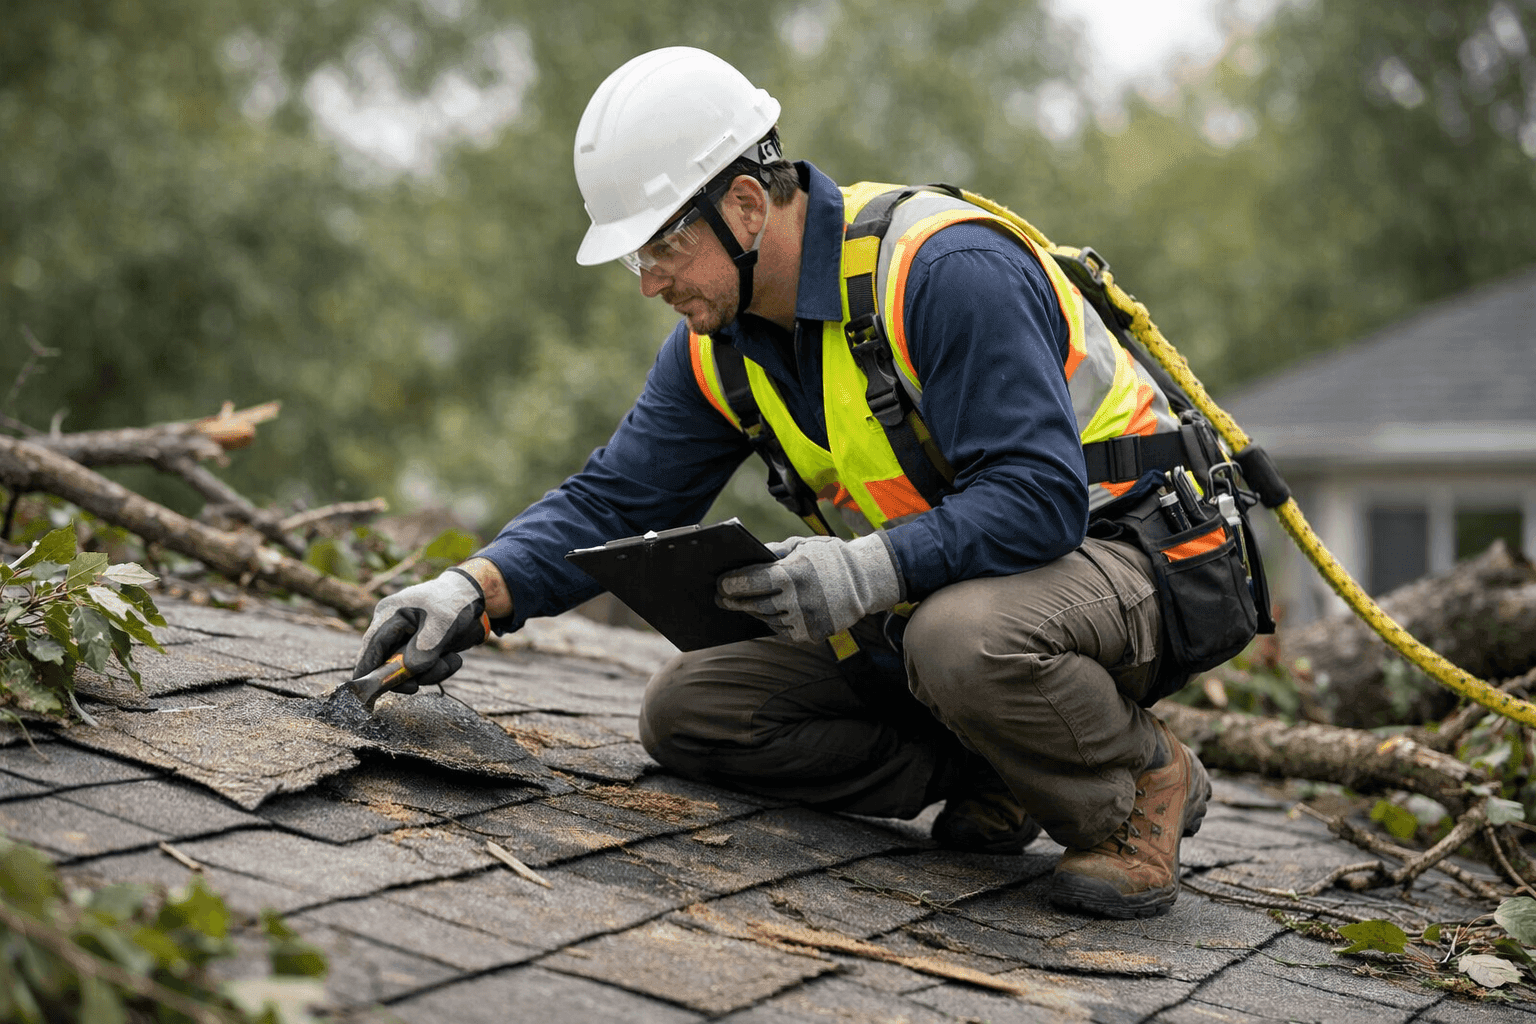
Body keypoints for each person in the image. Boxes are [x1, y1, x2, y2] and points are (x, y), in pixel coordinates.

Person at [353, 46, 1212, 920]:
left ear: (747, 204)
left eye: (662, 245)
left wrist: (862, 573)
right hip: (969, 590)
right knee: (693, 711)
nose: (649, 282)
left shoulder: (942, 272)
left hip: (1139, 557)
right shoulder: (715, 349)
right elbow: (616, 499)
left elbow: (1039, 499)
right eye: (634, 257)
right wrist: (473, 586)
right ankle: (1003, 762)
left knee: (960, 640)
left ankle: (1137, 782)